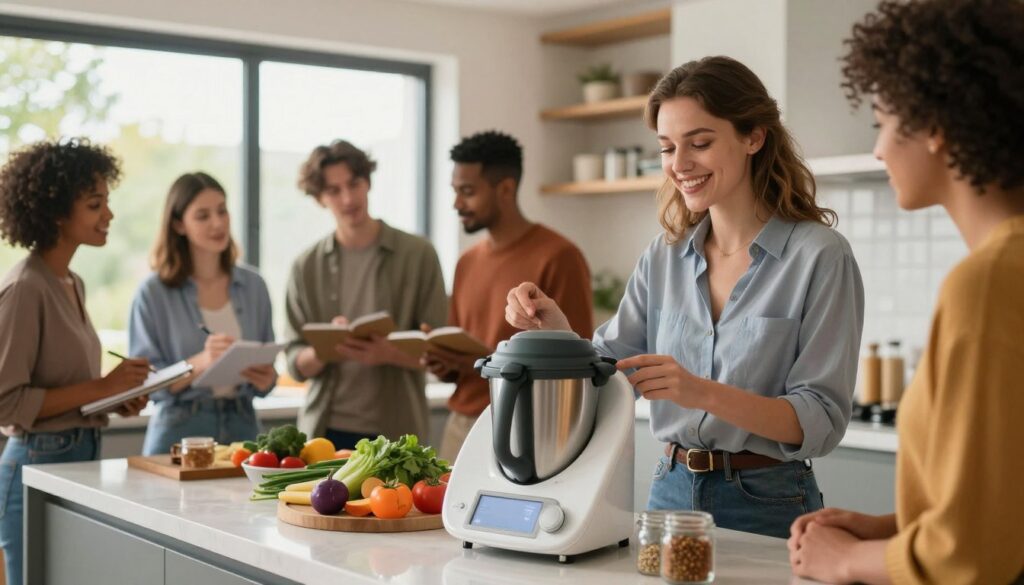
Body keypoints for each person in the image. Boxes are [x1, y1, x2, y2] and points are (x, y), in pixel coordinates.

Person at [506, 57, 865, 538]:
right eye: (668, 147)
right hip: (668, 489)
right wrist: (556, 332)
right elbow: (609, 370)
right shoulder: (665, 255)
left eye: (700, 143)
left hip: (768, 498)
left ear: (754, 137)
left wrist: (701, 392)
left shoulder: (819, 256)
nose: (679, 165)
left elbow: (820, 419)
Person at [788, 1, 1024, 583]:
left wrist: (846, 558)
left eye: (883, 123)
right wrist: (897, 529)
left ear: (936, 126)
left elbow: (971, 558)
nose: (879, 148)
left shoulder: (990, 281)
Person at [0, 138, 151, 585]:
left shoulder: (73, 283)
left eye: (106, 201)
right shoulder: (25, 288)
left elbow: (68, 388)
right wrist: (104, 387)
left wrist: (115, 398)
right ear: (57, 213)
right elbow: (7, 403)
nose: (109, 215)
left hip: (79, 454)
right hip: (34, 463)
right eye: (94, 204)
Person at [424, 130, 593, 462]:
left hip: (526, 427)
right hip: (461, 428)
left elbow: (578, 360)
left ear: (505, 189)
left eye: (468, 192)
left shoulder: (559, 256)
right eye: (455, 192)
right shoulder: (466, 262)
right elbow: (459, 356)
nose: (457, 204)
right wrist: (443, 362)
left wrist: (482, 363)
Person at [284, 140, 447, 448]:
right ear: (320, 199)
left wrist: (389, 353)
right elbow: (294, 363)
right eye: (334, 191)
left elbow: (440, 354)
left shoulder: (419, 254)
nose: (348, 198)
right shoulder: (305, 267)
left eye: (354, 184)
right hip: (325, 433)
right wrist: (324, 349)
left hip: (399, 432)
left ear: (367, 182)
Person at [128, 172, 277, 455]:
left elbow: (268, 375)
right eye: (202, 215)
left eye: (222, 211)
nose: (218, 223)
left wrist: (266, 378)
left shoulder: (254, 286)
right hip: (180, 430)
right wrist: (201, 362)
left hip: (244, 428)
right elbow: (144, 385)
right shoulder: (153, 293)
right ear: (178, 224)